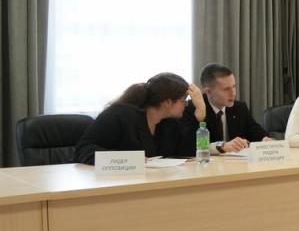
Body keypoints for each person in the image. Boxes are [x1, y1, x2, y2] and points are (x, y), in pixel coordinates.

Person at [74, 72, 204, 165]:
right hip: (111, 183)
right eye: (183, 100)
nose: (186, 104)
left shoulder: (169, 123)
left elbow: (187, 153)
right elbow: (83, 149)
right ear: (168, 102)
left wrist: (200, 116)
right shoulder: (120, 114)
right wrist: (130, 159)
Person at [196, 63, 272, 154]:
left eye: (234, 87)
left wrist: (265, 139)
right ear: (209, 92)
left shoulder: (239, 108)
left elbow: (255, 131)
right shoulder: (195, 108)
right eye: (226, 89)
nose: (233, 93)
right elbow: (190, 146)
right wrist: (222, 146)